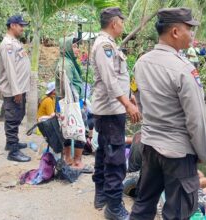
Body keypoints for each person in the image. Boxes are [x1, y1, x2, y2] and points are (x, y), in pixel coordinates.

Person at [130, 8, 206, 220]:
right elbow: (197, 120)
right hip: (178, 153)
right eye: (189, 29)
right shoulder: (183, 69)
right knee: (177, 212)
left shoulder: (141, 63)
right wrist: (202, 153)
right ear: (175, 31)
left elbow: (138, 101)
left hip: (149, 146)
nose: (192, 34)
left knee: (143, 204)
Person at [91, 7, 141, 220]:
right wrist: (127, 104)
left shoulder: (109, 44)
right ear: (114, 23)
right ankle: (113, 206)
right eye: (122, 21)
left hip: (111, 108)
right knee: (115, 158)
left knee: (104, 151)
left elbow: (118, 77)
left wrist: (129, 95)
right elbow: (110, 80)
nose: (123, 25)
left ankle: (101, 195)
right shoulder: (104, 46)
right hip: (111, 110)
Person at [55, 36, 92, 172]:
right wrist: (77, 104)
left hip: (65, 103)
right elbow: (67, 87)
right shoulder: (66, 64)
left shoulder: (68, 62)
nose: (77, 49)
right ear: (67, 48)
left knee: (66, 130)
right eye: (74, 46)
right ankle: (77, 161)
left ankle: (69, 159)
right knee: (79, 130)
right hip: (72, 103)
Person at [0, 15, 31, 162]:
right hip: (13, 90)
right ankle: (13, 151)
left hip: (20, 88)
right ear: (12, 25)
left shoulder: (15, 42)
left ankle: (12, 143)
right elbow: (10, 69)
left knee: (18, 114)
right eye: (20, 25)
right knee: (12, 119)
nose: (22, 28)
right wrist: (16, 91)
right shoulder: (8, 45)